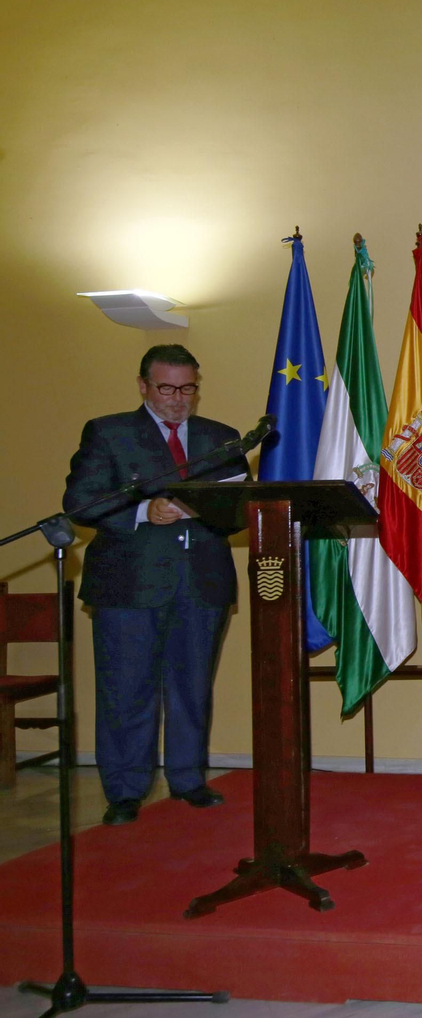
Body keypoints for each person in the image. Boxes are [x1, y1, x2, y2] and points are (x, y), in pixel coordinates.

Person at [62, 345, 250, 826]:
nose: (177, 399)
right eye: (166, 388)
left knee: (191, 688)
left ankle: (188, 780)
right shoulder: (109, 433)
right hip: (128, 586)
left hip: (201, 583)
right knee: (127, 690)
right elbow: (81, 503)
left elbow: (238, 514)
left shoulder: (223, 439)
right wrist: (145, 512)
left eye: (188, 388)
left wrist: (206, 510)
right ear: (143, 385)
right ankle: (125, 790)